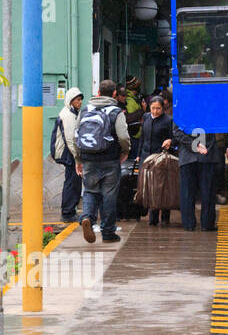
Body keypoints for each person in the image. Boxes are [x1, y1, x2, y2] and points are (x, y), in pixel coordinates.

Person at [72, 79, 131, 244]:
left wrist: (78, 159)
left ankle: (88, 219)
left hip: (89, 159)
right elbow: (124, 137)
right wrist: (125, 152)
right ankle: (108, 232)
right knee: (109, 195)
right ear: (114, 94)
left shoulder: (85, 110)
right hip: (110, 160)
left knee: (90, 191)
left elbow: (75, 136)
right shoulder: (116, 112)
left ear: (98, 93)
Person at [172, 123, 224, 232]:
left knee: (187, 192)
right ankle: (207, 224)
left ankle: (188, 224)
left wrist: (193, 145)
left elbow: (177, 132)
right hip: (208, 154)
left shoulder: (182, 108)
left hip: (187, 156)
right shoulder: (209, 108)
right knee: (208, 191)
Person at [137, 95, 175, 226]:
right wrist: (138, 154)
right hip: (146, 157)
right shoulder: (146, 117)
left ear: (163, 108)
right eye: (152, 108)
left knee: (163, 187)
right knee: (149, 187)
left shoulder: (168, 120)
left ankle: (165, 217)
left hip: (161, 159)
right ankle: (152, 218)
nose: (155, 111)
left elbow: (174, 137)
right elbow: (142, 137)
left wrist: (170, 141)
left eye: (158, 108)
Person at [50, 87, 84, 223]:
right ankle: (68, 213)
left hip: (69, 152)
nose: (80, 102)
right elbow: (70, 140)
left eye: (81, 100)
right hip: (68, 153)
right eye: (77, 100)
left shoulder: (72, 112)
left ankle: (69, 211)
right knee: (72, 181)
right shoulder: (68, 115)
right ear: (71, 101)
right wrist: (78, 159)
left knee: (73, 181)